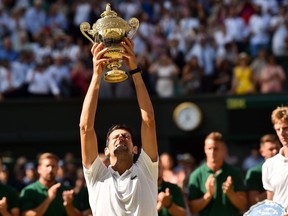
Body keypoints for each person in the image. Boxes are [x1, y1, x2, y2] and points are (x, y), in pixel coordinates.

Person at [79, 38, 158, 215]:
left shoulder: (146, 169)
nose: (121, 138)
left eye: (126, 137)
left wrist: (135, 71)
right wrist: (96, 76)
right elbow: (85, 128)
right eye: (116, 137)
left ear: (135, 149)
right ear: (106, 150)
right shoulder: (97, 175)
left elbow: (148, 121)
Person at [187, 132, 247, 216]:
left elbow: (243, 205)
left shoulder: (235, 172)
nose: (212, 152)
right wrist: (208, 195)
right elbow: (192, 208)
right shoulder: (196, 175)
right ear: (205, 149)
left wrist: (230, 193)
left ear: (224, 150)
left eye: (216, 149)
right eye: (209, 148)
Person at [262, 106, 288, 213]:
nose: (281, 133)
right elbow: (270, 202)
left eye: (286, 128)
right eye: (278, 129)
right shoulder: (269, 165)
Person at [245, 134, 280, 207]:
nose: (275, 151)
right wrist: (275, 187)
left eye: (277, 148)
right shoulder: (255, 172)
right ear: (262, 152)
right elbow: (254, 201)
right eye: (271, 149)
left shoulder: (285, 168)